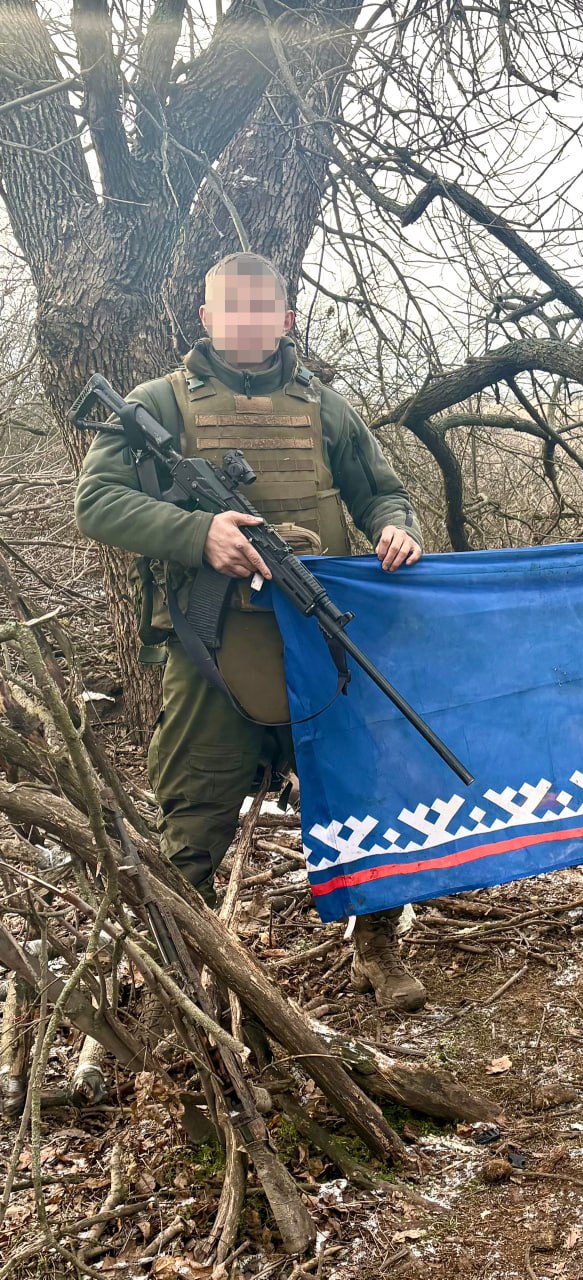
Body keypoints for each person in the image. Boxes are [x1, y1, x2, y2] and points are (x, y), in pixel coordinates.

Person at [75, 251, 429, 1011]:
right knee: (195, 808)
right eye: (230, 309)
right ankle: (179, 973)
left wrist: (396, 528)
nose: (247, 322)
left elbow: (383, 493)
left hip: (319, 640)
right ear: (206, 319)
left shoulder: (326, 406)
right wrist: (198, 533)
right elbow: (96, 502)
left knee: (361, 794)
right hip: (215, 648)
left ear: (285, 320)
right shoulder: (159, 403)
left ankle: (377, 949)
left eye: (261, 308)